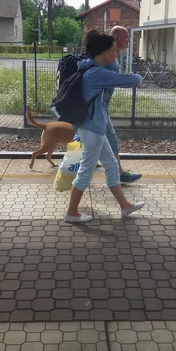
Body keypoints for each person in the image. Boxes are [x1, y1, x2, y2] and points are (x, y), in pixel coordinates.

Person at [66, 31, 145, 224]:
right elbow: (133, 81)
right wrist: (138, 76)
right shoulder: (96, 73)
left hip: (95, 128)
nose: (116, 53)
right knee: (85, 171)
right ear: (102, 52)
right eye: (112, 50)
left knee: (110, 165)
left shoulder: (89, 69)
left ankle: (125, 206)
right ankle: (71, 213)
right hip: (92, 130)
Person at [106, 26, 141, 183]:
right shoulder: (110, 59)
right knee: (109, 140)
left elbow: (112, 78)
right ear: (117, 38)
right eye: (126, 37)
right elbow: (110, 79)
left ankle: (117, 173)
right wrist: (131, 79)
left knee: (91, 144)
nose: (129, 40)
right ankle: (118, 174)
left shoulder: (112, 56)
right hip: (97, 109)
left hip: (99, 108)